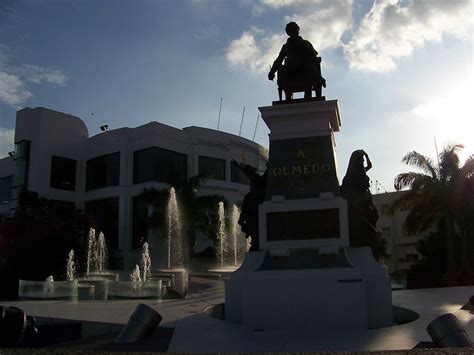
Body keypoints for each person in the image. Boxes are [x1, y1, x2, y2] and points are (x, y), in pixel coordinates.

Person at [268, 22, 322, 99]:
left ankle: (308, 96)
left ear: (298, 30)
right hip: (290, 69)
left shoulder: (306, 43)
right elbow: (278, 60)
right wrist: (272, 71)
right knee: (282, 70)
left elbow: (314, 57)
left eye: (295, 29)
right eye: (291, 30)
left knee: (310, 69)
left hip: (304, 68)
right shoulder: (286, 46)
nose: (294, 31)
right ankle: (288, 96)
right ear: (288, 32)